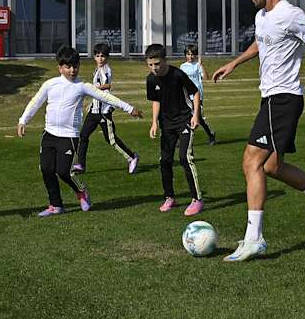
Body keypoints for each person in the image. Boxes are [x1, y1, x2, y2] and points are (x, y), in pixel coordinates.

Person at [212, 0, 305, 262]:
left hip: (283, 99)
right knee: (271, 166)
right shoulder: (262, 17)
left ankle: (254, 239)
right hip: (270, 99)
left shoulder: (291, 14)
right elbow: (261, 44)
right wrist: (234, 63)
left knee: (250, 162)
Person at [17, 45, 142, 217]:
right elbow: (35, 101)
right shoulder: (50, 84)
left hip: (69, 136)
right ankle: (56, 205)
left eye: (75, 66)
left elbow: (106, 97)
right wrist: (23, 120)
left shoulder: (82, 86)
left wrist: (129, 108)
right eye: (68, 66)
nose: (72, 70)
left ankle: (81, 191)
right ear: (60, 68)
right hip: (49, 134)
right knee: (46, 169)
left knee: (63, 171)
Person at [145, 43, 205, 217]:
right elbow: (155, 101)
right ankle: (169, 197)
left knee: (185, 157)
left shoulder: (178, 74)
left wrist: (195, 115)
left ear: (164, 60)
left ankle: (197, 199)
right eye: (150, 64)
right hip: (166, 124)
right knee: (164, 161)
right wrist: (154, 122)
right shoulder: (150, 79)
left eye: (157, 64)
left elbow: (195, 93)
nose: (154, 68)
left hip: (185, 120)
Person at [72, 41, 139, 175]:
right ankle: (80, 165)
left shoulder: (106, 70)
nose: (100, 58)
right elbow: (96, 92)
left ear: (107, 57)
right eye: (97, 55)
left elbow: (107, 86)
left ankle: (131, 157)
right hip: (94, 111)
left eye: (102, 56)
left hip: (103, 111)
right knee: (83, 135)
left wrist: (93, 88)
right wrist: (91, 103)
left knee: (111, 139)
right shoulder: (96, 70)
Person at [179, 44, 217, 145]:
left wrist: (200, 65)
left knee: (199, 119)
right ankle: (184, 139)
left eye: (192, 54)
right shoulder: (182, 67)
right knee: (185, 117)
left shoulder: (197, 65)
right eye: (188, 54)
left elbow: (206, 78)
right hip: (186, 96)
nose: (190, 57)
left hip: (197, 96)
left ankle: (211, 134)